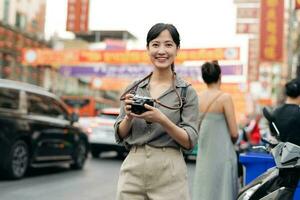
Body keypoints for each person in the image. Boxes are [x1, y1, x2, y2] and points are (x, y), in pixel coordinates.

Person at [114, 23, 199, 200]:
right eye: (155, 44)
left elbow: (190, 140)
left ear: (177, 49)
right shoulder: (134, 88)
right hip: (133, 167)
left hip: (169, 169)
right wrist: (129, 117)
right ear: (147, 48)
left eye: (168, 45)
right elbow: (120, 135)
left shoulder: (186, 91)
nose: (162, 51)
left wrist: (162, 120)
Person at [192, 61, 239, 200]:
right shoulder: (225, 98)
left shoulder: (197, 98)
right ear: (220, 77)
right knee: (222, 191)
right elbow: (234, 133)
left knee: (204, 189)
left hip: (204, 155)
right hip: (223, 154)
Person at [269, 78, 300, 198]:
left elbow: (273, 134)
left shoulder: (276, 112)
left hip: (278, 161)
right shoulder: (299, 113)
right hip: (296, 163)